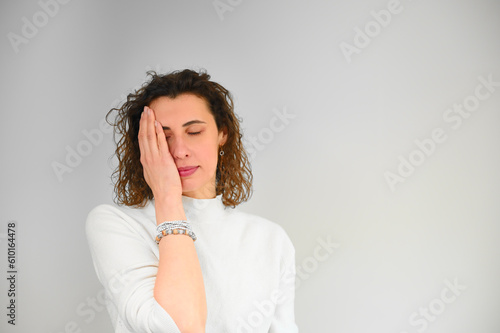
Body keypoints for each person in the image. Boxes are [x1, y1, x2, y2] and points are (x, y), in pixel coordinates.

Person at [85, 69, 298, 333]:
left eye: (194, 132)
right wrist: (167, 199)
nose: (179, 151)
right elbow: (176, 327)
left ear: (223, 134)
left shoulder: (270, 239)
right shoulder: (115, 225)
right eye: (163, 137)